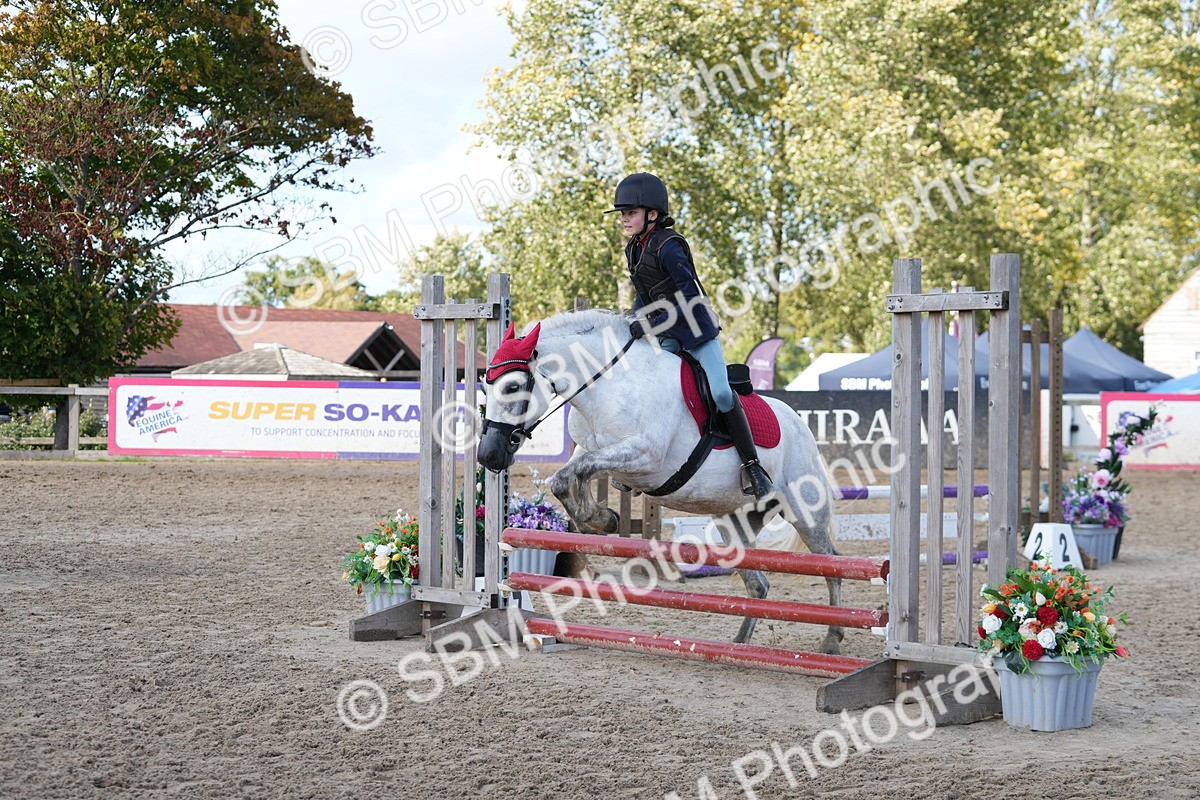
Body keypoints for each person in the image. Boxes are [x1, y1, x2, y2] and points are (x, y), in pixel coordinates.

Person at [607, 172, 772, 499]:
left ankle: (753, 465)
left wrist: (650, 323)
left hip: (696, 332)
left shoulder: (670, 246)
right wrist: (634, 317)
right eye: (622, 214)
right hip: (667, 334)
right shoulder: (634, 249)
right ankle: (641, 463)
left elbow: (690, 295)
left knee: (722, 394)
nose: (624, 219)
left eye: (631, 212)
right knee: (652, 391)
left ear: (652, 214)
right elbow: (645, 294)